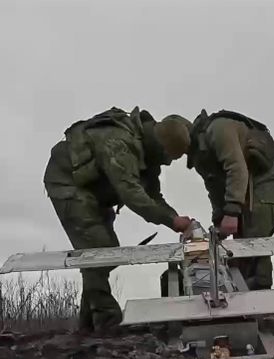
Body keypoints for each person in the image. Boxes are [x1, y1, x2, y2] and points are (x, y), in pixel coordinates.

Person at [43, 106, 195, 335]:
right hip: (67, 183)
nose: (167, 164)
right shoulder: (120, 143)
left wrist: (175, 217)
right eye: (167, 157)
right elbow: (132, 194)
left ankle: (88, 325)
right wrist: (171, 221)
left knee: (96, 254)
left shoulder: (147, 155)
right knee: (101, 248)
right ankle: (107, 322)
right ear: (160, 146)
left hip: (94, 193)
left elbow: (153, 196)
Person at [184, 109, 274, 290]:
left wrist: (231, 212)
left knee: (253, 245)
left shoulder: (219, 129)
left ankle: (260, 299)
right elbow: (214, 188)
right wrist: (218, 222)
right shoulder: (201, 157)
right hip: (241, 191)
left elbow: (237, 168)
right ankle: (242, 298)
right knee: (237, 251)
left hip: (263, 186)